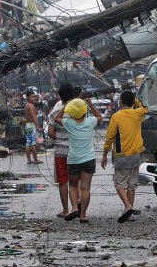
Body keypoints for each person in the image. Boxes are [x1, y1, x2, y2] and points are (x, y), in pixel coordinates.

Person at [102, 91, 148, 223]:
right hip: (136, 155)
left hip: (122, 155)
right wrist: (136, 101)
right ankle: (129, 214)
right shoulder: (138, 113)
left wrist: (105, 154)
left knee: (119, 184)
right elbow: (145, 108)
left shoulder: (116, 116)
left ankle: (128, 206)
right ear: (133, 102)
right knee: (131, 185)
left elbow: (110, 137)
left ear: (120, 102)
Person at [55, 98, 102, 223]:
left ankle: (75, 207)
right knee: (86, 188)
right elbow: (99, 117)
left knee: (73, 185)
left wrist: (65, 107)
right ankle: (83, 215)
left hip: (74, 160)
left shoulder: (69, 123)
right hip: (89, 159)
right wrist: (91, 105)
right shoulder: (90, 121)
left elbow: (57, 119)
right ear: (84, 111)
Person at [47, 83, 74, 218]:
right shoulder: (78, 109)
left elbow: (50, 132)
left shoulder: (55, 111)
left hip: (60, 152)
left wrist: (60, 138)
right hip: (76, 151)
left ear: (60, 96)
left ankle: (65, 210)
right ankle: (77, 207)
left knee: (63, 181)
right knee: (77, 180)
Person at [24, 91, 43, 164]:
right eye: (32, 96)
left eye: (34, 96)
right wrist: (38, 127)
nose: (34, 98)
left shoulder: (27, 105)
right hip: (32, 126)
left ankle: (29, 160)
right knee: (34, 143)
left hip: (27, 125)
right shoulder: (31, 106)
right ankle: (35, 160)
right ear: (28, 97)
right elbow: (34, 117)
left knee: (28, 143)